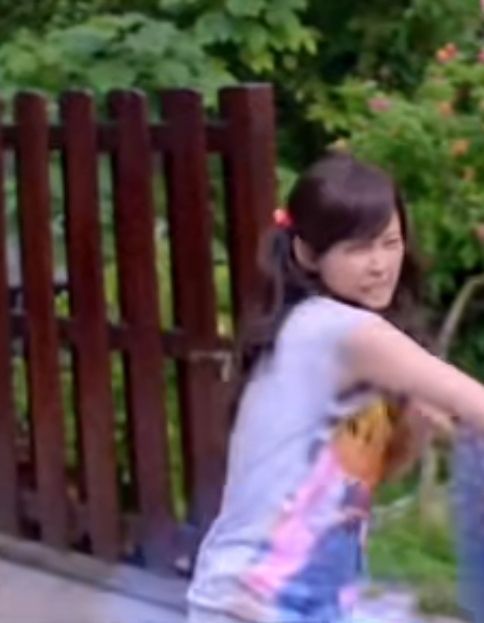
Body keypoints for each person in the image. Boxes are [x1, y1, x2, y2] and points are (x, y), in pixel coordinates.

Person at [187, 151, 484, 623]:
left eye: (390, 243)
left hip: (305, 599)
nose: (380, 264)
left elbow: (370, 476)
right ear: (307, 253)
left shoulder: (320, 332)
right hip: (258, 604)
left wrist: (418, 422)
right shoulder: (338, 330)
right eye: (358, 249)